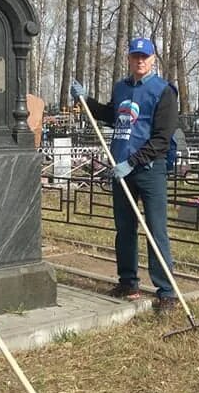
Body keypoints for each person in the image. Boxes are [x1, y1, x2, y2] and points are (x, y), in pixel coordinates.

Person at [70, 37, 179, 314]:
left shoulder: (163, 91)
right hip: (121, 171)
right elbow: (111, 115)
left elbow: (162, 138)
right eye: (135, 56)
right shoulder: (121, 88)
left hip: (148, 170)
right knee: (125, 230)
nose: (139, 61)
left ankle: (166, 291)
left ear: (153, 59)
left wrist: (133, 161)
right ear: (129, 59)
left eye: (144, 56)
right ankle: (128, 282)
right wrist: (86, 101)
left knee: (156, 230)